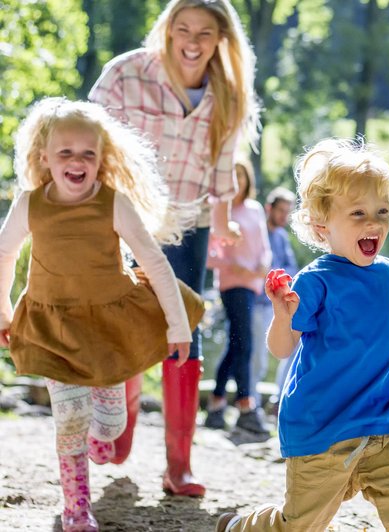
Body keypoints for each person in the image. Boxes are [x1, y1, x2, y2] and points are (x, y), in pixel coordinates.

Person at [216, 138, 389, 532]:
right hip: (322, 427)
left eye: (381, 212)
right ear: (322, 226)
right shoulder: (315, 281)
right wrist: (283, 316)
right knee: (300, 525)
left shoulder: (387, 272)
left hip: (381, 422)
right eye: (358, 213)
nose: (373, 223)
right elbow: (281, 349)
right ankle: (243, 527)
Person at [88, 0, 260, 497]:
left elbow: (223, 166)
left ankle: (178, 466)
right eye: (182, 28)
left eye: (205, 32)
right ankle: (119, 429)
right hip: (124, 218)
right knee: (126, 322)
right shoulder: (126, 74)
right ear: (166, 29)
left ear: (220, 39)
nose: (192, 41)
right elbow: (86, 137)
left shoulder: (228, 91)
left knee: (183, 325)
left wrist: (224, 220)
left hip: (189, 222)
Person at [0, 98, 193, 532]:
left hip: (106, 329)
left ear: (101, 159)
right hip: (52, 327)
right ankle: (76, 508)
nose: (76, 161)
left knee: (107, 429)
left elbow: (155, 262)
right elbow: (3, 254)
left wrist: (178, 327)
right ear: (44, 158)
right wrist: (3, 312)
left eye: (87, 153)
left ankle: (103, 430)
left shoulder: (113, 203)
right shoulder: (30, 203)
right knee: (68, 417)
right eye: (65, 152)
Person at [205, 159, 271, 433]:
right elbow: (208, 256)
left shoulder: (255, 209)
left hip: (253, 283)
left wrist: (264, 267)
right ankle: (246, 405)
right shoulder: (221, 211)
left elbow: (264, 247)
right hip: (232, 285)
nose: (238, 181)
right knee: (244, 342)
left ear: (248, 180)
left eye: (242, 176)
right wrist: (230, 266)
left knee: (237, 344)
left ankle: (217, 403)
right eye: (234, 176)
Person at [249, 186, 298, 407]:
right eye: (280, 210)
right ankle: (252, 405)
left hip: (278, 302)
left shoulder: (281, 237)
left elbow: (291, 268)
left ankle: (280, 399)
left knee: (292, 349)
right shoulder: (256, 232)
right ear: (269, 208)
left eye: (287, 212)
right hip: (257, 302)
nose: (283, 216)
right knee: (257, 358)